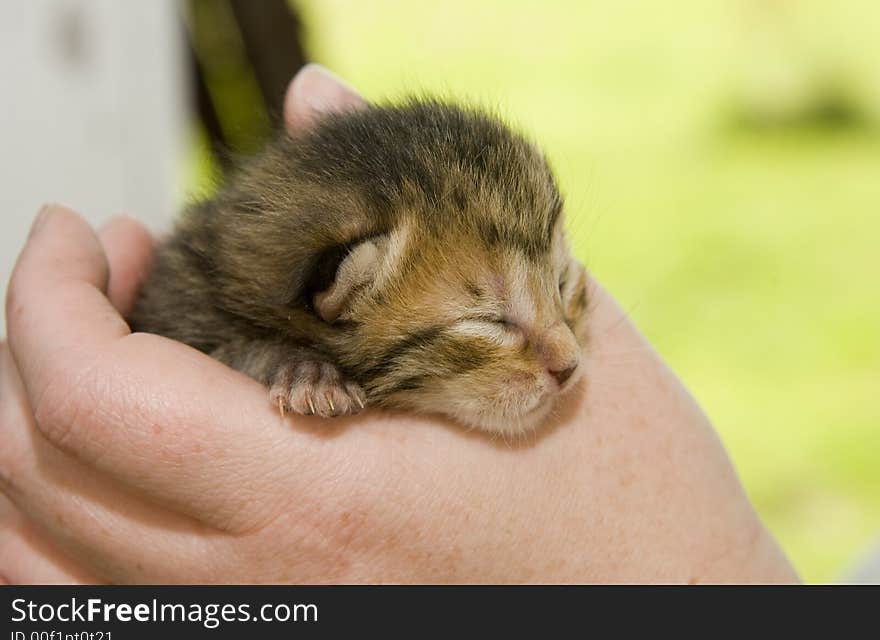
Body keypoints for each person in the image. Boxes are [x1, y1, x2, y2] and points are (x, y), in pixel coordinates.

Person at [0, 68, 799, 584]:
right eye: (490, 319)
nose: (563, 357)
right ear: (337, 294)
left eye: (563, 281)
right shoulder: (199, 300)